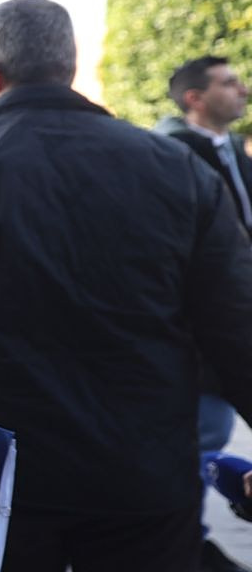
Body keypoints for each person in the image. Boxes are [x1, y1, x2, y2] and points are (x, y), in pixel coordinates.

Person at [0, 0, 252, 572]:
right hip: (144, 478)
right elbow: (236, 328)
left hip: (5, 481)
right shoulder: (177, 169)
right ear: (68, 67)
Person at [154, 56, 252, 572]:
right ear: (194, 97)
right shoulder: (171, 155)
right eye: (229, 83)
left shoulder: (232, 150)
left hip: (238, 324)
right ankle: (187, 545)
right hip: (202, 340)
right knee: (198, 444)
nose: (243, 90)